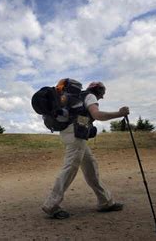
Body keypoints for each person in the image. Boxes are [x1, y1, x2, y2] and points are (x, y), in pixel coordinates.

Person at [42, 81, 130, 219]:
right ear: (98, 91)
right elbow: (97, 115)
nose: (102, 97)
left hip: (70, 134)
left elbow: (82, 118)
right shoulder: (90, 96)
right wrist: (119, 113)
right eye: (103, 93)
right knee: (70, 168)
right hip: (76, 135)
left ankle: (105, 201)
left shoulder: (77, 97)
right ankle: (51, 204)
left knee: (91, 167)